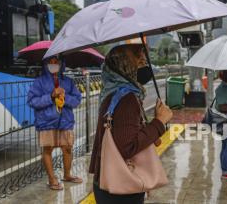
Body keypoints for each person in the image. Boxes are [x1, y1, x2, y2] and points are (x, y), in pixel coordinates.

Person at [89, 44, 173, 204]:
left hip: (107, 182)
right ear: (124, 66)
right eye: (139, 60)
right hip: (121, 188)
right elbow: (127, 146)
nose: (144, 65)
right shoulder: (127, 98)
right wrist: (159, 122)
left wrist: (150, 129)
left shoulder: (112, 92)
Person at [27, 56, 83, 190]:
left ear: (62, 64)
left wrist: (65, 97)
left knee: (67, 148)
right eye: (50, 62)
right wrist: (51, 96)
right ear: (45, 64)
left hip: (65, 121)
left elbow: (77, 100)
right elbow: (32, 101)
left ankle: (67, 175)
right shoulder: (39, 82)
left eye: (56, 62)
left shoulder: (68, 82)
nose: (53, 64)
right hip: (46, 121)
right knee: (48, 149)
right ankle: (52, 179)